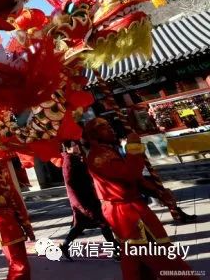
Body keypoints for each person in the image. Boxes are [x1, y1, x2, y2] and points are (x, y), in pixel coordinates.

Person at [84, 118, 199, 280]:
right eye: (105, 127)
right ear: (94, 135)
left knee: (135, 257)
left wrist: (157, 192)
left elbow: (135, 180)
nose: (111, 129)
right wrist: (133, 147)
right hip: (126, 211)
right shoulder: (99, 155)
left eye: (110, 126)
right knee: (158, 251)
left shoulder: (108, 150)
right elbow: (130, 174)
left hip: (128, 207)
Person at [59, 140, 118, 261]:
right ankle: (116, 250)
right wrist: (78, 203)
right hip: (82, 199)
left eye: (76, 145)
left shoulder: (77, 158)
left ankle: (65, 245)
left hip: (88, 196)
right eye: (74, 146)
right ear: (67, 149)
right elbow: (70, 184)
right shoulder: (69, 162)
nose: (77, 147)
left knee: (79, 226)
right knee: (103, 223)